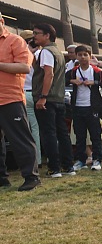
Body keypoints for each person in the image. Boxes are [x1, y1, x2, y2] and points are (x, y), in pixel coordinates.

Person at [0, 13, 40, 191]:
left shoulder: (15, 41)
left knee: (20, 139)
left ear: (1, 20)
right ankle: (2, 179)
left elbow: (24, 66)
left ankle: (31, 177)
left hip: (11, 99)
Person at [32, 22, 74, 177]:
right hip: (58, 98)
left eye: (37, 33)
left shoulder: (46, 52)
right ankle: (68, 166)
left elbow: (48, 74)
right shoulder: (57, 51)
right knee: (62, 133)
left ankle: (54, 168)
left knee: (48, 133)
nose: (34, 36)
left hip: (47, 99)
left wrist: (42, 97)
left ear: (47, 35)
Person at [68, 45, 102, 171]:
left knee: (95, 135)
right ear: (76, 56)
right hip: (78, 107)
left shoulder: (96, 71)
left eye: (85, 55)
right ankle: (81, 160)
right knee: (80, 136)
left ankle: (97, 159)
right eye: (80, 55)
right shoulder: (73, 71)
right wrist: (72, 81)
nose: (83, 58)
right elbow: (63, 80)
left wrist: (94, 82)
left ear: (90, 56)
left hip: (92, 108)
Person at [19, 30, 41, 166]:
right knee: (39, 129)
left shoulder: (21, 54)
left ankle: (35, 160)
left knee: (29, 129)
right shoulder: (40, 54)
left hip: (25, 93)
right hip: (39, 93)